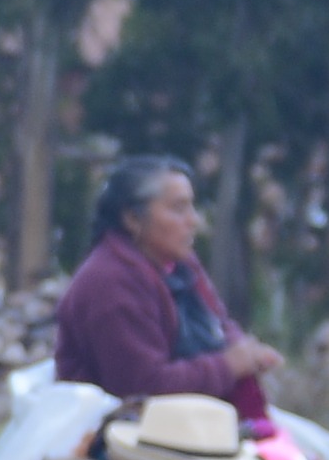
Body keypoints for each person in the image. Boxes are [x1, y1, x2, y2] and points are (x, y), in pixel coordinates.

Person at [49, 152, 277, 421]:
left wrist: (246, 351)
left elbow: (218, 324)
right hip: (122, 434)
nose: (193, 221)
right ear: (132, 219)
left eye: (192, 207)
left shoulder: (178, 263)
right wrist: (228, 366)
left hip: (186, 422)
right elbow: (143, 388)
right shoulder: (110, 282)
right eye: (178, 209)